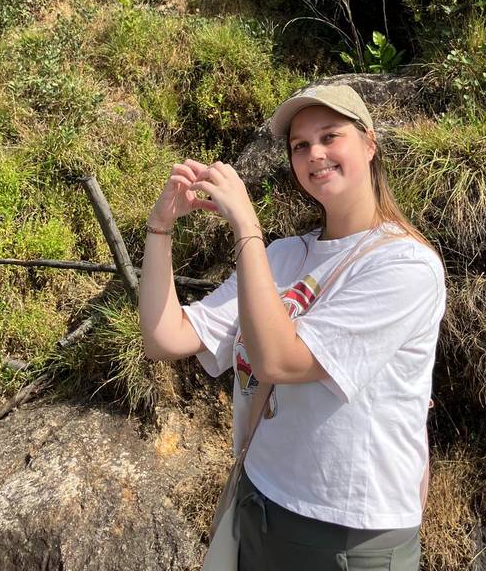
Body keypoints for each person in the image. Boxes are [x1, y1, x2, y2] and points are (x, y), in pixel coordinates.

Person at [139, 83, 446, 570]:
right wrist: (160, 229)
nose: (314, 153)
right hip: (261, 501)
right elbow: (166, 337)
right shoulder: (283, 256)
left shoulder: (405, 266)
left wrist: (246, 227)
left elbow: (279, 361)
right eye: (300, 145)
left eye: (330, 136)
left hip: (349, 535)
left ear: (369, 144)